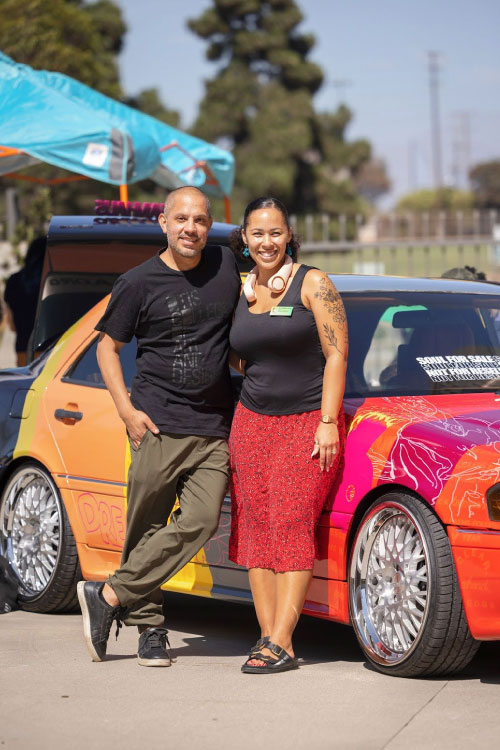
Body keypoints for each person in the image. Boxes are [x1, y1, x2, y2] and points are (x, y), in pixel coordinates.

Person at [77, 186, 241, 668]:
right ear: (164, 223)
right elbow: (107, 347)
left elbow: (269, 275)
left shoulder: (226, 267)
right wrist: (126, 411)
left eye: (201, 221)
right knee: (146, 528)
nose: (192, 229)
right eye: (182, 219)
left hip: (213, 425)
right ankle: (150, 629)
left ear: (209, 227)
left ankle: (108, 596)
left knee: (201, 521)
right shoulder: (136, 283)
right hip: (156, 424)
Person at [228, 196, 347, 674]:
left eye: (275, 232)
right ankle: (267, 636)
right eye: (257, 233)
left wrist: (326, 420)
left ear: (289, 234)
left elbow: (336, 354)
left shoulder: (313, 282)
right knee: (256, 525)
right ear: (244, 238)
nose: (267, 241)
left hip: (306, 422)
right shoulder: (243, 289)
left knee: (293, 522)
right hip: (251, 422)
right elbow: (237, 355)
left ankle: (283, 638)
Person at [3, 236, 45, 366]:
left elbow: (12, 326)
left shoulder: (14, 281)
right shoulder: (53, 283)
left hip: (23, 350)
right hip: (52, 351)